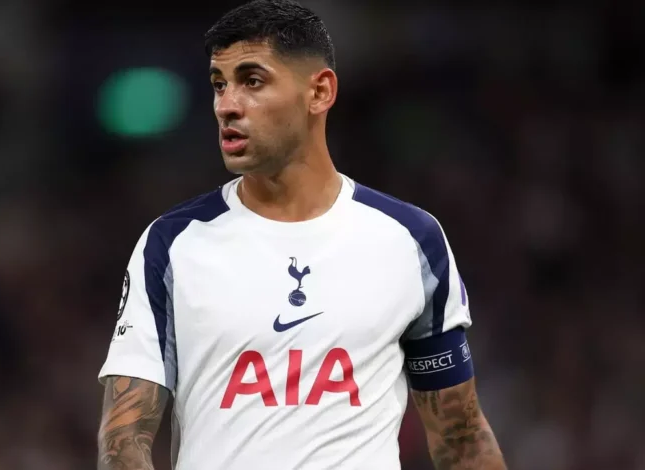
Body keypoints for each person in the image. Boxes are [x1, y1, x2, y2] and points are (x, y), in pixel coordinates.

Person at [97, 1, 507, 469]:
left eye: (253, 81)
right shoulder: (173, 244)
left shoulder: (410, 240)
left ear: (319, 91)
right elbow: (123, 440)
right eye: (219, 84)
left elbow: (461, 439)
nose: (226, 105)